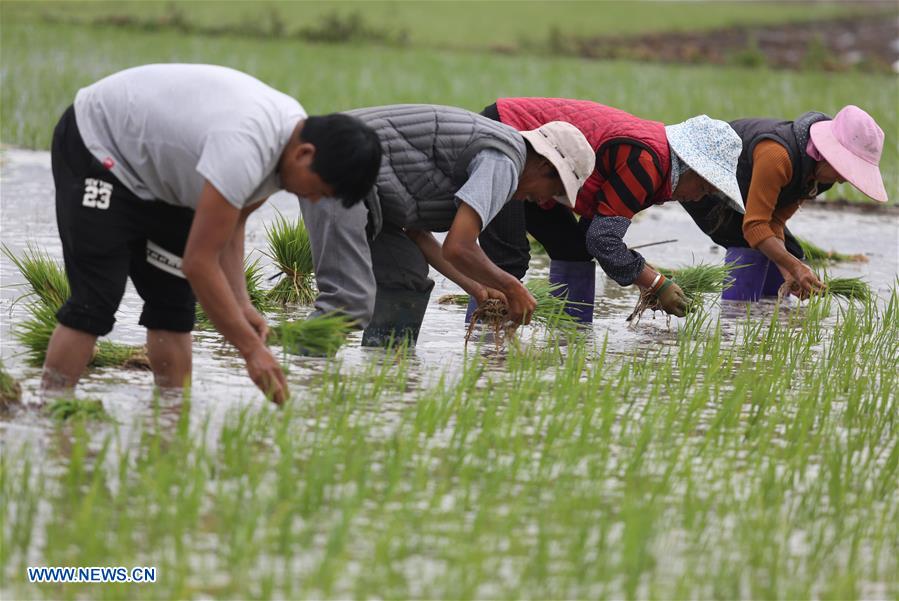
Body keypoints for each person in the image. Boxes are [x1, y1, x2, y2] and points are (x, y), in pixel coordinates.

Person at [43, 63, 382, 404]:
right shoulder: (245, 150)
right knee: (95, 302)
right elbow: (199, 263)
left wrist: (242, 303)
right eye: (319, 190)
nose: (314, 200)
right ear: (305, 155)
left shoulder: (288, 147)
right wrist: (252, 351)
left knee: (173, 306)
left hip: (162, 181)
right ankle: (52, 413)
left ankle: (171, 426)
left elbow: (232, 227)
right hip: (100, 147)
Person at [297, 104, 596, 346]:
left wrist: (478, 288)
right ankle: (298, 380)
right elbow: (459, 247)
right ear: (546, 167)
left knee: (406, 275)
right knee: (346, 299)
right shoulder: (505, 161)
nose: (543, 200)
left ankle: (387, 372)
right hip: (336, 167)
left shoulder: (503, 159)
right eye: (554, 191)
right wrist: (511, 285)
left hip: (364, 190)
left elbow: (416, 232)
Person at [474, 98, 744, 321]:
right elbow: (603, 240)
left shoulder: (655, 165)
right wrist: (656, 283)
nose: (698, 198)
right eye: (704, 188)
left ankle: (570, 338)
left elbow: (594, 235)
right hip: (509, 137)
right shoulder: (646, 162)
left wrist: (645, 276)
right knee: (507, 259)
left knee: (573, 249)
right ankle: (485, 349)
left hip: (541, 167)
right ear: (689, 166)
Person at [680, 105, 888, 298]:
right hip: (706, 187)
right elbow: (754, 227)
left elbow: (775, 221)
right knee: (749, 247)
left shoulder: (819, 177)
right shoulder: (776, 155)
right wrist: (795, 267)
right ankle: (735, 318)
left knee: (791, 253)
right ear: (827, 154)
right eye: (845, 170)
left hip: (745, 199)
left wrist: (789, 271)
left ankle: (769, 313)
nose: (843, 180)